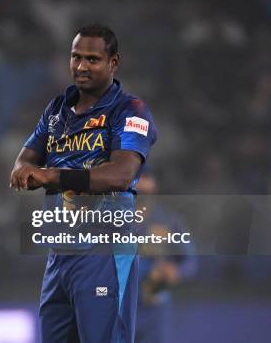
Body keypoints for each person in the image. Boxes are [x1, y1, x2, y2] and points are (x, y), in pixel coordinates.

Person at [10, 24, 157, 343]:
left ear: (113, 62)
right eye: (75, 57)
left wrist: (51, 175)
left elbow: (121, 174)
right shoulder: (56, 110)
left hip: (103, 251)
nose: (81, 66)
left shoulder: (130, 110)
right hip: (59, 255)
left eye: (92, 59)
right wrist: (26, 171)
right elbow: (23, 161)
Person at [135, 170, 197, 343]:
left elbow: (190, 261)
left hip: (153, 307)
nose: (142, 185)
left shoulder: (168, 221)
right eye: (137, 179)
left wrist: (175, 271)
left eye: (147, 179)